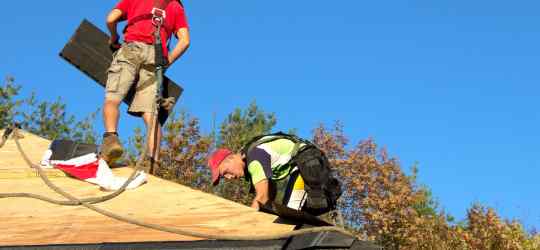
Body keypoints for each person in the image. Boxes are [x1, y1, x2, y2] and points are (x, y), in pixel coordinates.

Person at [101, 0, 190, 173]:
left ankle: (111, 139)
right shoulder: (176, 6)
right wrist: (167, 62)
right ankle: (153, 162)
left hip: (131, 49)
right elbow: (185, 41)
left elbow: (111, 19)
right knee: (151, 115)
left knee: (112, 99)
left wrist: (113, 36)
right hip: (155, 58)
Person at [207, 132, 342, 215]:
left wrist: (247, 223)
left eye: (225, 173)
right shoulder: (250, 159)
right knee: (286, 213)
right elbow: (269, 192)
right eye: (224, 178)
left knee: (291, 215)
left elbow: (262, 196)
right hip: (305, 164)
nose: (229, 177)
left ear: (230, 158)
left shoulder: (254, 158)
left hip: (307, 164)